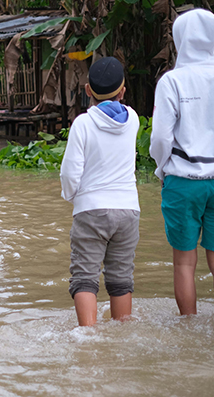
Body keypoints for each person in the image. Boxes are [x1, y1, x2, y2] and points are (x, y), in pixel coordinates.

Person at [150, 9, 214, 331]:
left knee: (185, 262)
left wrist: (162, 169)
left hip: (183, 180)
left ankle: (189, 328)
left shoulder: (172, 80)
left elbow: (161, 137)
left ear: (180, 39)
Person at [59, 57, 140, 327]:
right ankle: (123, 332)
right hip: (128, 210)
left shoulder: (82, 124)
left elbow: (70, 173)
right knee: (120, 280)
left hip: (91, 209)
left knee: (84, 278)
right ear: (123, 91)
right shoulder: (134, 120)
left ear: (87, 90)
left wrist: (74, 197)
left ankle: (88, 338)